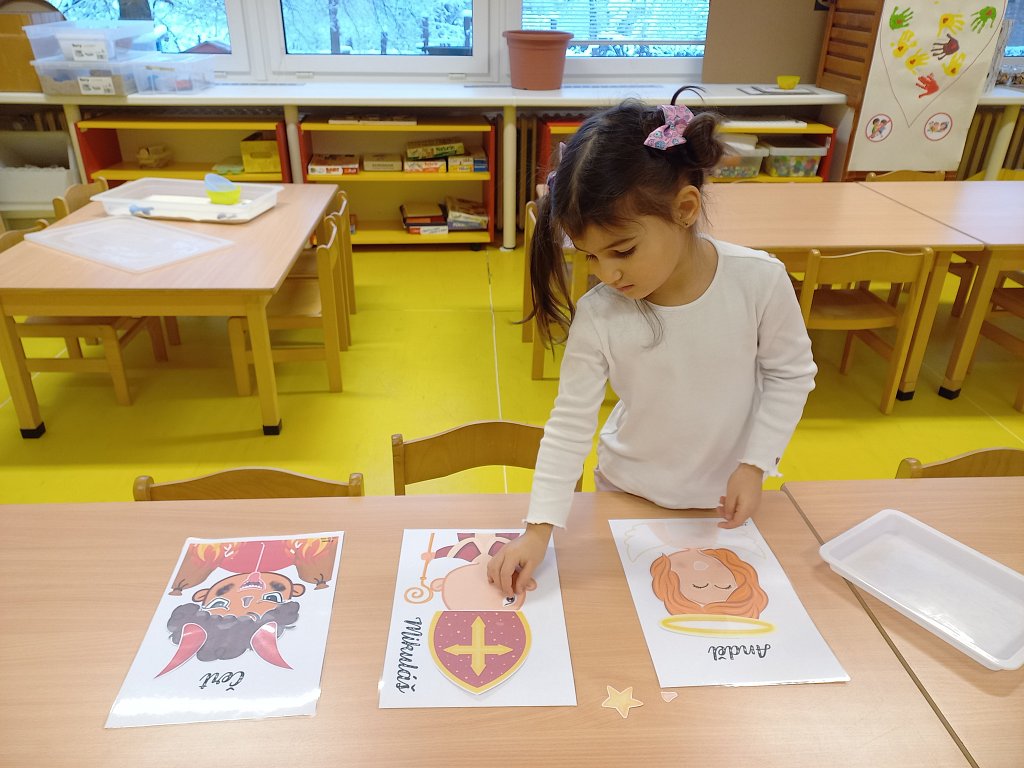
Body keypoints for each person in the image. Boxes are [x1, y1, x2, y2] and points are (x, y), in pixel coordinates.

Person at [487, 95, 817, 597]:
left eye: (622, 251)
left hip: (722, 499)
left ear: (685, 209)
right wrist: (538, 529)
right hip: (626, 492)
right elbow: (570, 422)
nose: (607, 274)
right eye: (590, 256)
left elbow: (791, 374)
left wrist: (756, 464)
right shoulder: (601, 312)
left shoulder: (759, 281)